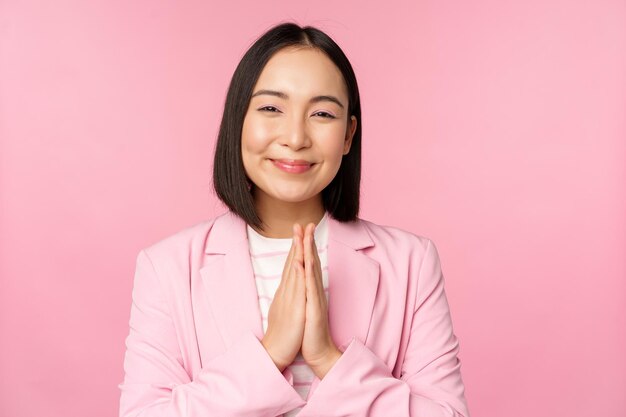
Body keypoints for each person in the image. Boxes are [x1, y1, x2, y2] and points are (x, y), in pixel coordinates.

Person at [118, 22, 470, 417]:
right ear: (239, 120)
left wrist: (328, 359)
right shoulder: (165, 267)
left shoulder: (411, 262)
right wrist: (269, 356)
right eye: (271, 108)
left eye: (321, 113)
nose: (296, 137)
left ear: (349, 135)